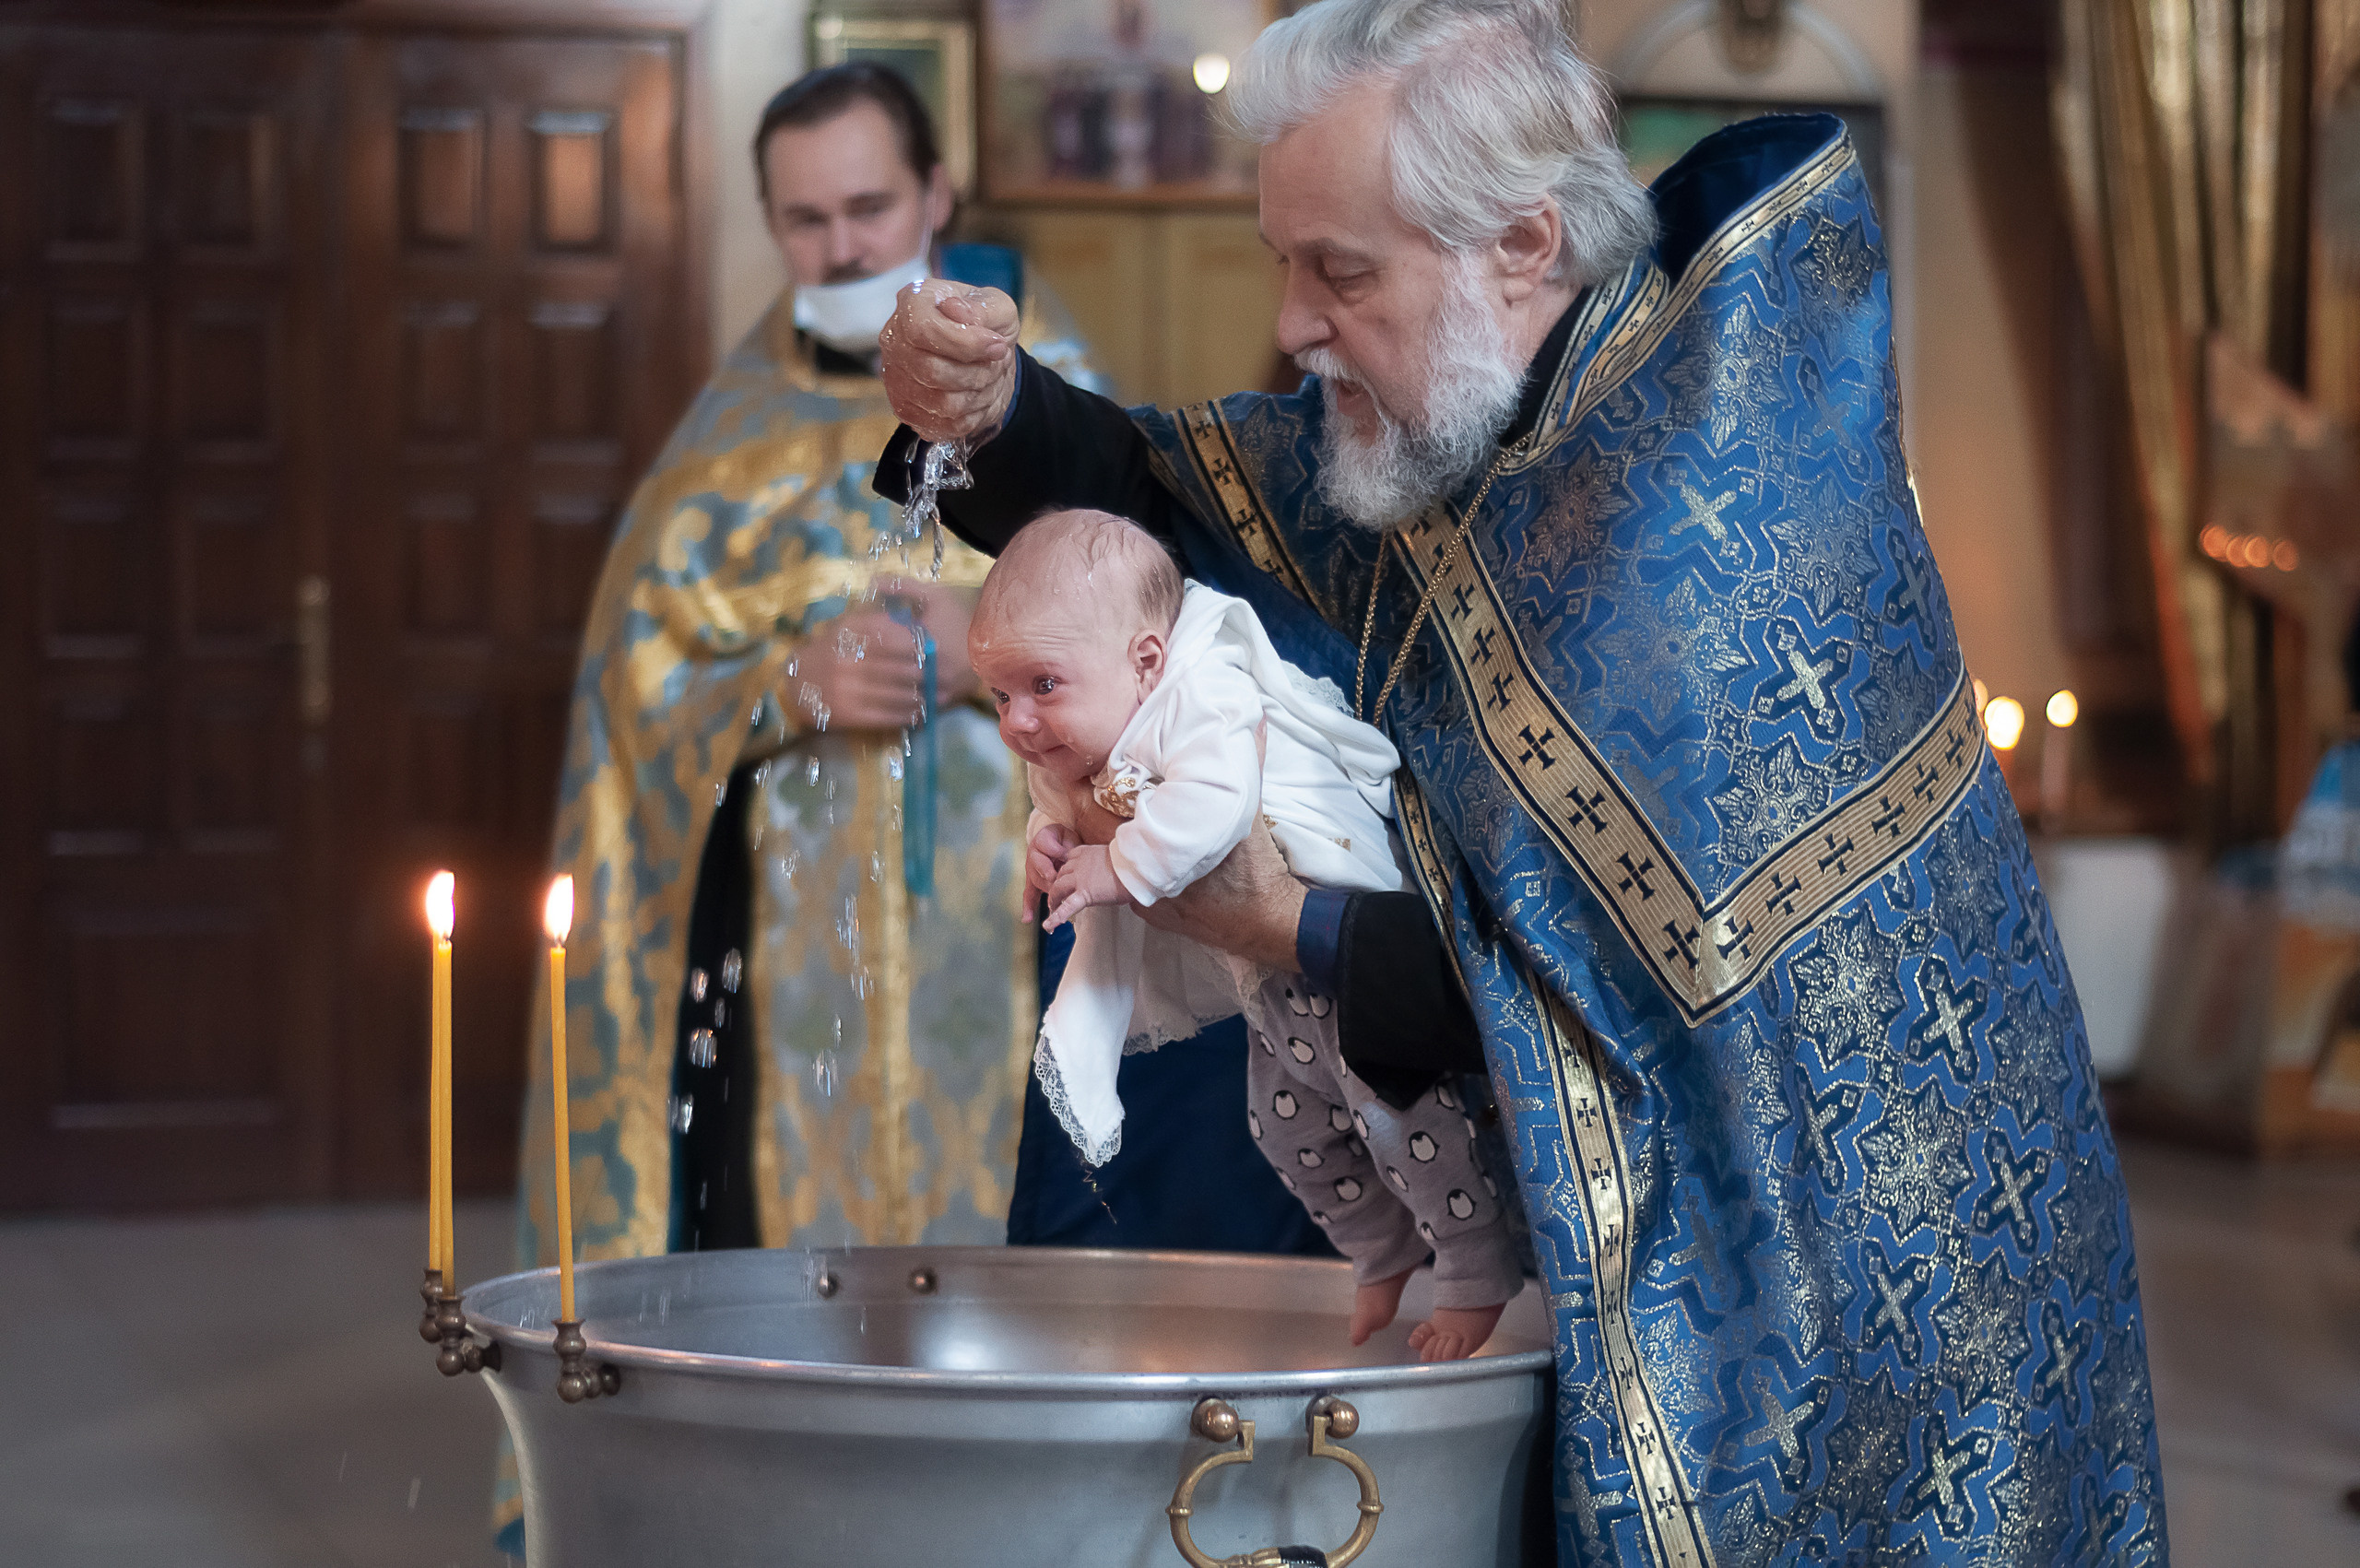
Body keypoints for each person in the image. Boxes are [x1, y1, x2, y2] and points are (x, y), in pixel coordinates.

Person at [876, 0, 2167, 1561]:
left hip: (1866, 1345)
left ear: (1521, 245)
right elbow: (1176, 503)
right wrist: (993, 412)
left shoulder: (1702, 528)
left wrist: (1278, 924)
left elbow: (1588, 1006)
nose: (1291, 323)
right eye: (1284, 262)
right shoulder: (1484, 416)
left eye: (1340, 271)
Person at [495, 64, 1318, 1554]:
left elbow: (1188, 657)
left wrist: (997, 655)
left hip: (1013, 939)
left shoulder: (1051, 409)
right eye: (804, 218)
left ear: (937, 195)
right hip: (794, 981)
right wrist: (780, 689)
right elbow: (634, 711)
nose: (842, 243)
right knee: (803, 1278)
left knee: (1027, 1250)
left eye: (870, 205)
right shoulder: (720, 451)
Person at [975, 510, 1520, 1359]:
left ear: (1145, 661)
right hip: (1267, 980)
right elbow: (1060, 801)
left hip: (1349, 949)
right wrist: (1046, 839)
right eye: (1000, 696)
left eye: (1042, 685)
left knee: (1397, 1114)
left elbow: (1217, 804)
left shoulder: (1205, 691)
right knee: (1282, 1126)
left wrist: (1118, 865)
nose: (1016, 721)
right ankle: (1380, 1248)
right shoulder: (1093, 718)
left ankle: (1475, 1267)